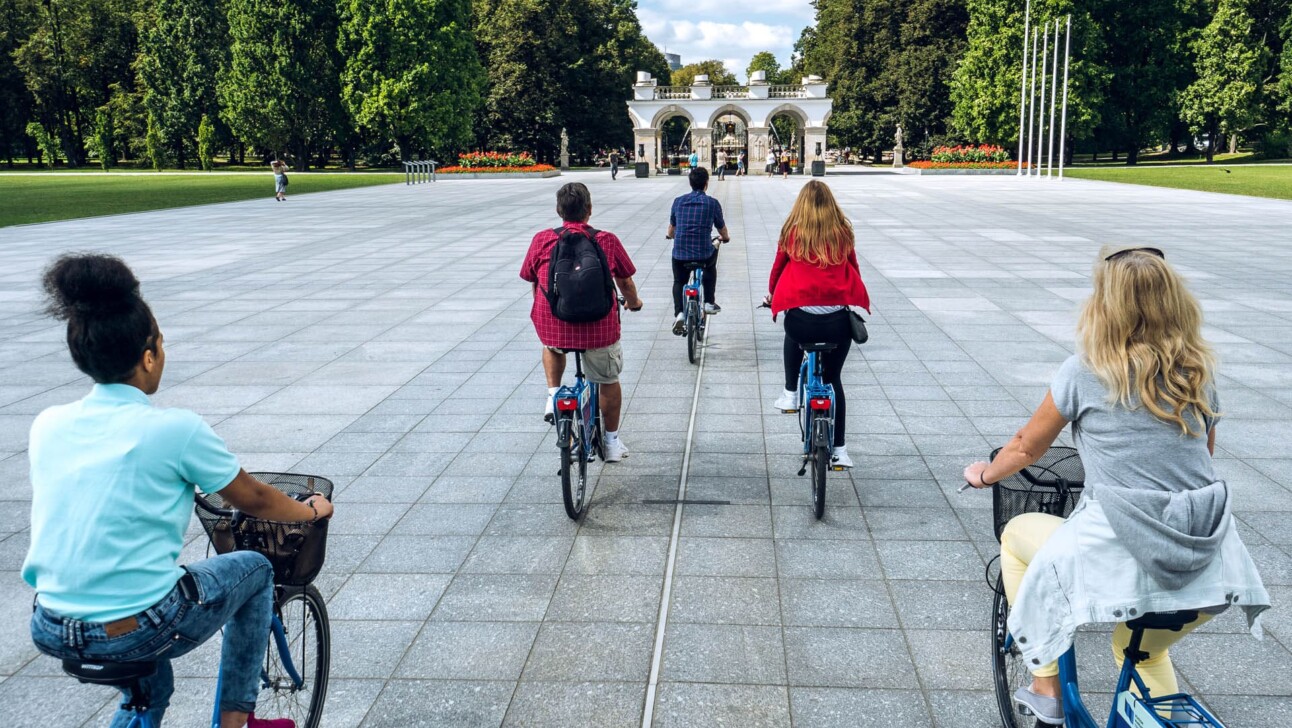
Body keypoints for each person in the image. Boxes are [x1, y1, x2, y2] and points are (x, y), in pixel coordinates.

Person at [24, 254, 335, 728]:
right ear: (148, 357)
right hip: (132, 626)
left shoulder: (47, 424)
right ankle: (235, 722)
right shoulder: (175, 429)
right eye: (161, 343)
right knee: (254, 569)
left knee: (150, 691)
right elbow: (253, 498)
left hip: (51, 623)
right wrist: (311, 511)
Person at [962, 246, 1269, 726]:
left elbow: (1025, 447)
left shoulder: (1085, 370)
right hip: (1211, 553)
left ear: (1104, 306)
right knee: (1141, 650)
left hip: (1119, 539)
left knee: (1017, 535)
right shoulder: (1198, 373)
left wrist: (983, 474)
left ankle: (1045, 685)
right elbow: (1201, 456)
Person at [520, 182, 643, 462]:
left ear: (559, 211)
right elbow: (624, 281)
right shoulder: (607, 240)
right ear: (589, 209)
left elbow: (530, 277)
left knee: (551, 346)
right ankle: (611, 443)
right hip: (599, 329)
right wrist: (634, 303)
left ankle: (553, 394)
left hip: (555, 325)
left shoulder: (542, 239)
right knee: (608, 379)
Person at [765, 181, 870, 469]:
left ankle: (790, 393)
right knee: (833, 380)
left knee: (792, 332)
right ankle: (841, 450)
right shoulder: (843, 233)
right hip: (837, 324)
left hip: (802, 322)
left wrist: (772, 295)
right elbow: (854, 270)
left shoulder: (792, 233)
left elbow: (777, 270)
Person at [667, 166, 730, 335]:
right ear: (706, 184)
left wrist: (670, 235)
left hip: (680, 252)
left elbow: (671, 229)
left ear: (690, 183)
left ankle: (679, 314)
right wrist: (725, 237)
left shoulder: (678, 201)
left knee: (679, 281)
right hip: (703, 252)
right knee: (711, 264)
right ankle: (709, 302)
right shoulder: (712, 203)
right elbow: (721, 228)